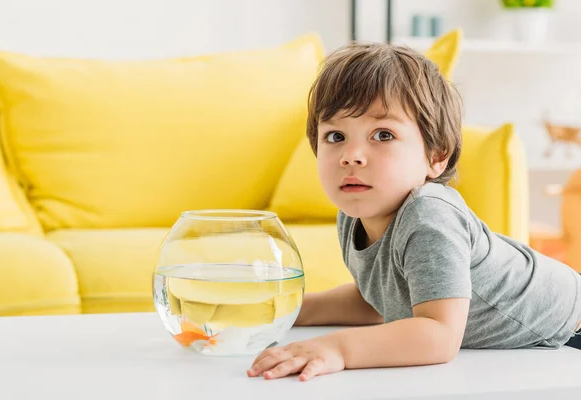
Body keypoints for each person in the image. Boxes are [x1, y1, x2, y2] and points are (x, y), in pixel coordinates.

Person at [246, 42, 581, 381]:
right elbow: (379, 303)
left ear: (436, 157)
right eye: (335, 136)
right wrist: (290, 311)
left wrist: (338, 347)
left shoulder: (428, 216)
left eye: (383, 134)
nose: (351, 155)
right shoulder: (353, 215)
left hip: (572, 329)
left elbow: (438, 334)